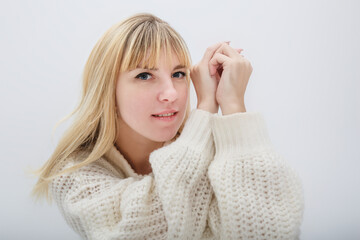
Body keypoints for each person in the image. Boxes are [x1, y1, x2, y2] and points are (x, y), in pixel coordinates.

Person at [32, 13, 304, 239]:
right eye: (144, 75)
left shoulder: (220, 154)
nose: (171, 93)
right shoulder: (75, 174)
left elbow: (271, 233)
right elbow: (148, 230)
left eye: (178, 74)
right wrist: (205, 110)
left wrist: (233, 107)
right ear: (107, 92)